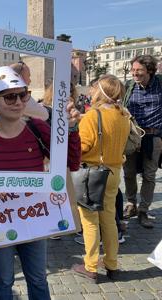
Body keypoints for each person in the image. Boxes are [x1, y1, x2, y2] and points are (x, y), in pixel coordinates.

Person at [0, 66, 81, 300]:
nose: (18, 101)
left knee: (37, 279)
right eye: (10, 96)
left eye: (23, 95)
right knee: (2, 280)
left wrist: (71, 129)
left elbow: (70, 163)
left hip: (36, 218)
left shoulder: (36, 127)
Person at [71, 74, 130, 282]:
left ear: (101, 91)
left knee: (90, 222)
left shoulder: (92, 115)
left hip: (93, 174)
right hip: (114, 172)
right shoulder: (123, 114)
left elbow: (83, 147)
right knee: (110, 220)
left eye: (94, 87)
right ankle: (112, 265)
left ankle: (91, 266)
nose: (91, 91)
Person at [122, 55, 162, 228]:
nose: (134, 73)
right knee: (129, 172)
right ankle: (131, 204)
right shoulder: (129, 86)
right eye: (133, 70)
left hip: (154, 136)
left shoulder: (160, 84)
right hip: (132, 136)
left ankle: (144, 210)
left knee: (149, 175)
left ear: (150, 71)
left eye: (138, 70)